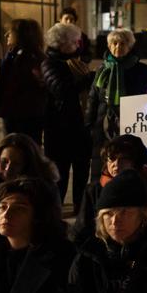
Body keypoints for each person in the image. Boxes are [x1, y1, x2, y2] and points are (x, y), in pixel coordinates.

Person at [84, 28, 147, 180]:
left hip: (131, 126)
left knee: (128, 163)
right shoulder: (103, 69)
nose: (118, 47)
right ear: (109, 46)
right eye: (114, 43)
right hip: (104, 125)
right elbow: (93, 97)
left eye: (122, 43)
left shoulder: (142, 70)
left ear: (130, 46)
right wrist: (89, 123)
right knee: (102, 166)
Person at [70, 134, 147, 244]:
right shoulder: (95, 190)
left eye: (123, 159)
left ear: (136, 162)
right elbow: (81, 231)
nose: (116, 164)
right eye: (112, 159)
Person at [42, 21, 93, 209]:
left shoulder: (76, 63)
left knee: (81, 170)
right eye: (74, 42)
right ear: (61, 43)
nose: (77, 45)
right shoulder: (50, 63)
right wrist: (88, 80)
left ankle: (80, 208)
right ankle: (56, 209)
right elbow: (62, 90)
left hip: (80, 125)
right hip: (59, 128)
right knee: (59, 173)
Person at [0, 18, 47, 143]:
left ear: (21, 35)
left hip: (23, 115)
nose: (6, 35)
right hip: (13, 113)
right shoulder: (14, 54)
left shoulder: (28, 58)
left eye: (10, 32)